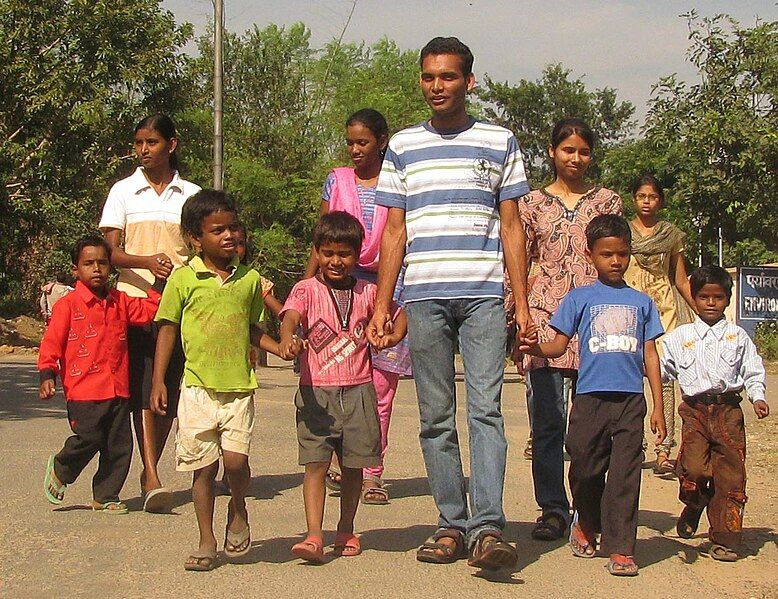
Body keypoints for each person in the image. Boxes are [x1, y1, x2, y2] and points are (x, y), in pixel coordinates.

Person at [368, 36, 531, 570]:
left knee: (486, 411)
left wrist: (521, 303)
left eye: (448, 77)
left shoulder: (500, 141)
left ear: (469, 82)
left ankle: (487, 527)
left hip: (484, 294)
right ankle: (449, 524)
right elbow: (394, 231)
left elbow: (512, 227)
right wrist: (383, 303)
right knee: (435, 416)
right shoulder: (403, 147)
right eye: (429, 77)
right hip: (424, 298)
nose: (436, 86)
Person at [522, 214, 666, 577]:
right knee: (585, 466)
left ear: (630, 253)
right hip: (589, 398)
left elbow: (650, 354)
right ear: (591, 255)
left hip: (631, 400)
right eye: (607, 255)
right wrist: (534, 347)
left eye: (622, 254)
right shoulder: (579, 298)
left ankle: (621, 547)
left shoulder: (642, 302)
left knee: (625, 476)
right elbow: (557, 345)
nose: (615, 261)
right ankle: (586, 519)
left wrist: (660, 408)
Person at [150, 190, 284, 571]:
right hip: (196, 388)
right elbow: (167, 329)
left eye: (233, 228)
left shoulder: (249, 279)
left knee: (236, 464)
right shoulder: (182, 279)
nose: (228, 236)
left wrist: (279, 347)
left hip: (239, 388)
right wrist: (159, 380)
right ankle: (206, 539)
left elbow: (253, 329)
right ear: (195, 237)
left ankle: (238, 506)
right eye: (217, 230)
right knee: (204, 468)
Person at [279, 211, 406, 563]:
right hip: (315, 393)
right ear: (317, 252)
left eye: (345, 254)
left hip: (359, 391)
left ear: (357, 254)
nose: (336, 261)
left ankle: (346, 528)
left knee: (353, 467)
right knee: (316, 464)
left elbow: (399, 312)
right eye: (328, 253)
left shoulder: (369, 292)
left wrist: (392, 335)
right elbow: (290, 317)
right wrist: (289, 339)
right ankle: (314, 534)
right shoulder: (305, 290)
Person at [518, 118, 622, 542]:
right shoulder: (530, 204)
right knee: (546, 424)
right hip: (544, 318)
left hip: (597, 325)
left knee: (592, 427)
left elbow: (616, 260)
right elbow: (518, 262)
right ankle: (553, 509)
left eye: (582, 151)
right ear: (552, 152)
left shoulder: (607, 202)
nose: (574, 158)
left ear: (590, 155)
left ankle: (587, 509)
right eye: (567, 150)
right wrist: (517, 317)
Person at [304, 108, 412, 505]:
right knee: (339, 380)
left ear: (382, 142)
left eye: (362, 142)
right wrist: (307, 287)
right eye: (349, 142)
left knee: (381, 386)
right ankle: (343, 462)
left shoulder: (400, 181)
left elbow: (404, 237)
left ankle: (371, 473)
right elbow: (322, 238)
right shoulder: (336, 180)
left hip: (390, 286)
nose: (354, 150)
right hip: (338, 291)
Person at [99, 114, 201, 513]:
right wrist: (145, 261)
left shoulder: (190, 194)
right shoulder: (124, 191)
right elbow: (110, 252)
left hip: (180, 305)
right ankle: (150, 473)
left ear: (171, 145)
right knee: (143, 386)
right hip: (134, 303)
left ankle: (151, 467)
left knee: (170, 388)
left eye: (152, 142)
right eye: (139, 142)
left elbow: (201, 246)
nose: (143, 150)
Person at [39, 235, 162, 514]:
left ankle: (106, 495)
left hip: (118, 388)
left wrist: (161, 283)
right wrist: (48, 374)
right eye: (88, 263)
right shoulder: (67, 306)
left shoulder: (121, 301)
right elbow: (52, 343)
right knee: (89, 437)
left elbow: (150, 311)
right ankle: (62, 467)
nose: (96, 269)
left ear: (110, 268)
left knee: (119, 445)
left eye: (103, 263)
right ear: (75, 269)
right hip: (84, 389)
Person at [660, 265, 768, 562]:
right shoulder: (679, 338)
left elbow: (753, 370)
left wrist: (757, 397)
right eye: (704, 296)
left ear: (727, 299)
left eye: (718, 297)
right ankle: (695, 502)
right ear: (693, 298)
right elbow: (661, 370)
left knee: (731, 476)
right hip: (694, 411)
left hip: (728, 412)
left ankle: (725, 538)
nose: (711, 302)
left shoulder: (738, 337)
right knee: (694, 469)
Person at [624, 174, 696, 474]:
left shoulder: (671, 235)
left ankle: (664, 449)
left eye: (652, 197)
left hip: (663, 309)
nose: (647, 202)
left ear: (660, 201)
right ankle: (634, 446)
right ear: (634, 199)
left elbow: (680, 279)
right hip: (628, 306)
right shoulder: (623, 232)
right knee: (630, 379)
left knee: (663, 381)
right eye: (641, 196)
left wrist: (704, 313)